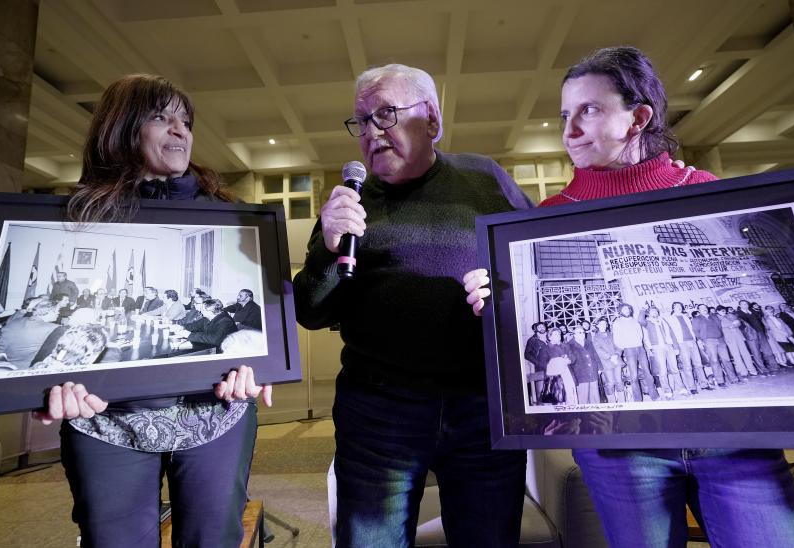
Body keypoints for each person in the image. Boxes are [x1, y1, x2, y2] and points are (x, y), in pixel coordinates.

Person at [465, 46, 794, 548]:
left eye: (588, 109)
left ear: (639, 117)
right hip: (620, 451)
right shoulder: (547, 219)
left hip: (736, 440)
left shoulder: (707, 191)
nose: (569, 129)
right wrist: (494, 302)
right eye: (565, 114)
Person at [294, 63, 530, 546]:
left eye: (386, 114)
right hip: (379, 412)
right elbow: (311, 312)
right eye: (361, 121)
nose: (370, 132)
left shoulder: (485, 178)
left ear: (433, 121)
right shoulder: (348, 203)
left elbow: (532, 263)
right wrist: (330, 248)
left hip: (482, 407)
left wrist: (504, 289)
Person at [33, 74, 272, 548]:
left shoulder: (232, 217)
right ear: (121, 128)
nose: (180, 130)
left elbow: (267, 325)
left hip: (215, 413)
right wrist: (48, 384)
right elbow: (50, 352)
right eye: (161, 117)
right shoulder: (74, 220)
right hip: (104, 418)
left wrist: (260, 361)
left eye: (186, 120)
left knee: (213, 538)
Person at [611, 302, 658, 401]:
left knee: (647, 372)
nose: (626, 311)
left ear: (630, 310)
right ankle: (638, 400)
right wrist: (622, 348)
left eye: (628, 309)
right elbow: (617, 339)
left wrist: (640, 343)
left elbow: (640, 334)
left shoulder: (635, 321)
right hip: (629, 350)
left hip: (640, 348)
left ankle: (654, 396)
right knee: (634, 376)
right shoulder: (617, 322)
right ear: (620, 311)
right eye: (624, 309)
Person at [692, 303, 741, 386]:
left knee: (727, 360)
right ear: (699, 310)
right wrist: (701, 339)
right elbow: (696, 331)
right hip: (709, 341)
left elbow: (719, 327)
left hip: (720, 339)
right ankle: (720, 381)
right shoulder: (697, 319)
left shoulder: (714, 316)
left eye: (705, 307)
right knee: (714, 361)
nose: (704, 309)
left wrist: (721, 336)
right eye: (702, 308)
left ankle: (734, 379)